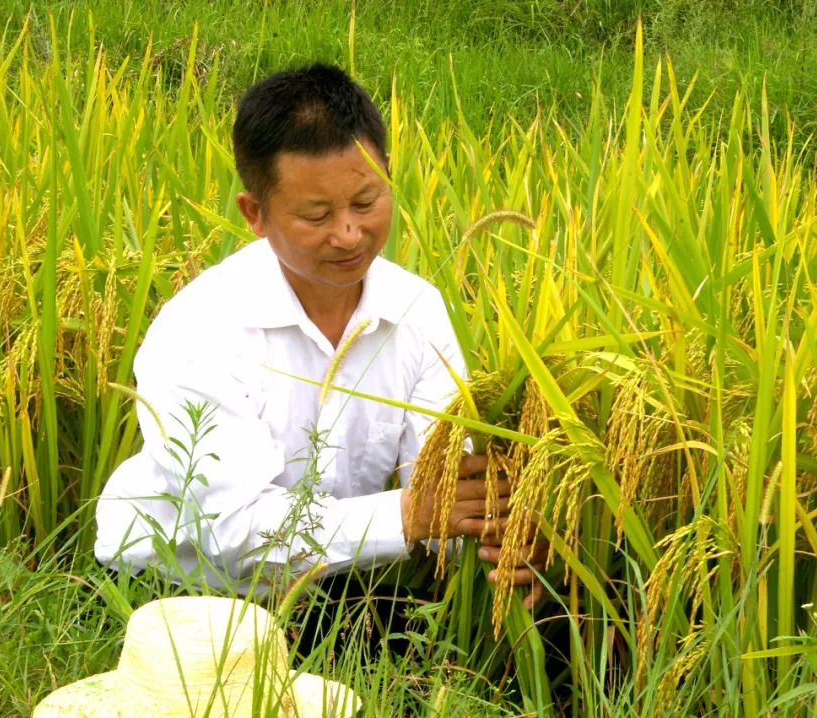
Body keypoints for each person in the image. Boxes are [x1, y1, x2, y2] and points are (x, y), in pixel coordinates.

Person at [93, 63, 547, 610]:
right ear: (255, 214)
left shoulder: (416, 311)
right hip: (179, 595)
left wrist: (498, 536)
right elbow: (232, 530)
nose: (349, 234)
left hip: (339, 589)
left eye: (365, 202)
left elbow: (441, 485)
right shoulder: (197, 332)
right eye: (316, 215)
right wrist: (408, 515)